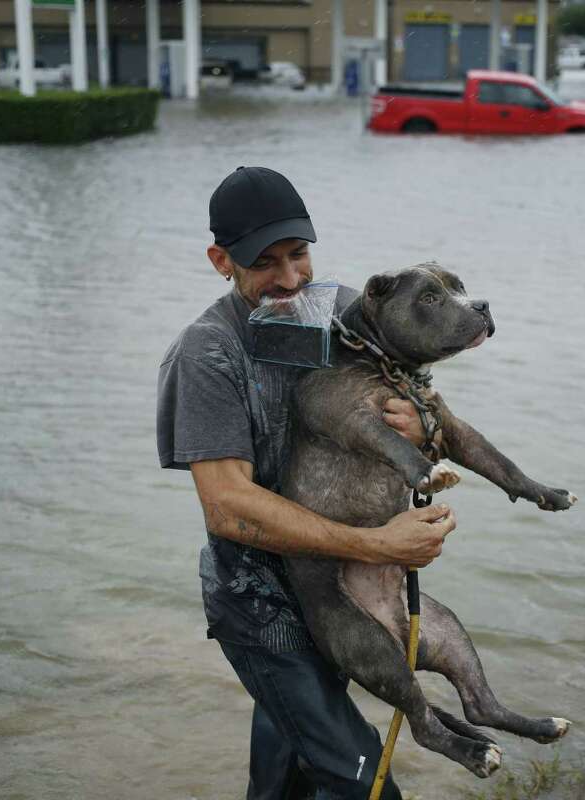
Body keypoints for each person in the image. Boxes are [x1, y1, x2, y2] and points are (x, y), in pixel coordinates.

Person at [157, 167, 458, 799]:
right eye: (266, 263)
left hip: (339, 593)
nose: (292, 279)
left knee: (284, 775)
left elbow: (429, 408)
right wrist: (381, 547)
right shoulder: (207, 354)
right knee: (362, 781)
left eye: (300, 255)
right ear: (220, 261)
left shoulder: (344, 313)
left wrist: (421, 423)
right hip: (263, 606)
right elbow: (229, 508)